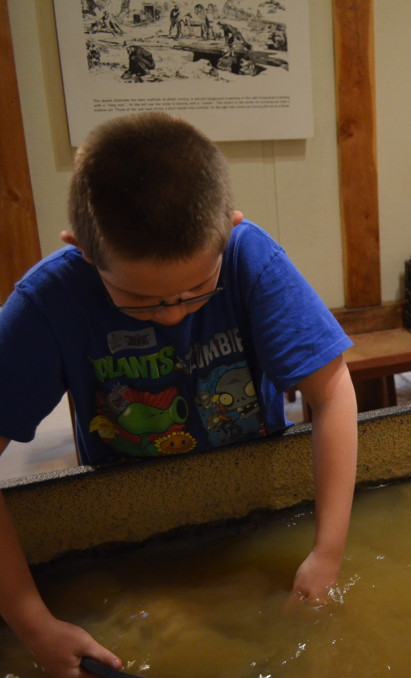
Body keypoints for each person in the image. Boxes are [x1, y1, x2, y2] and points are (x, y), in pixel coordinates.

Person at [0, 113, 359, 676]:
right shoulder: (50, 300)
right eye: (141, 300)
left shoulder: (248, 258)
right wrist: (33, 621)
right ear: (83, 251)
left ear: (229, 227)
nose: (173, 312)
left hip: (252, 503)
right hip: (127, 518)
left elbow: (333, 390)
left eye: (197, 289)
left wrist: (326, 553)